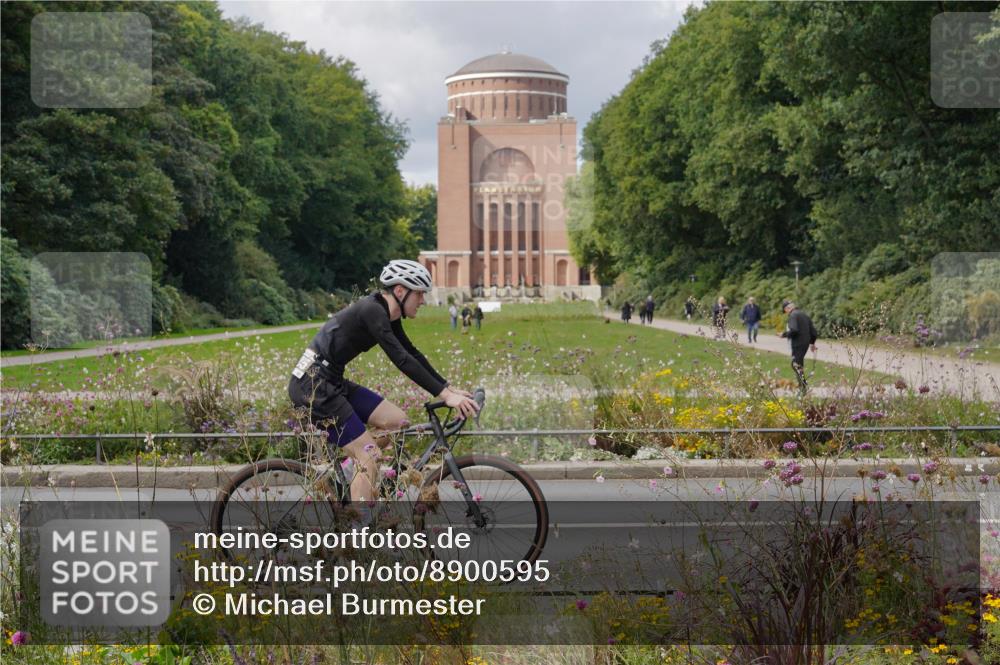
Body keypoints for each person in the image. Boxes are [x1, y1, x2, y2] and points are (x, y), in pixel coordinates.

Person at [287, 259, 479, 515]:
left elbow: (411, 353)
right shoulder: (371, 310)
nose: (422, 301)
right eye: (420, 293)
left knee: (397, 421)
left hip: (330, 380)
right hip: (313, 387)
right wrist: (444, 394)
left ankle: (349, 473)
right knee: (370, 455)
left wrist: (449, 389)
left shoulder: (387, 314)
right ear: (400, 291)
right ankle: (356, 538)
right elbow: (400, 360)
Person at [780, 299, 818, 396]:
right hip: (804, 344)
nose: (786, 313)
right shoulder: (804, 314)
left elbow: (794, 330)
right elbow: (813, 332)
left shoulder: (793, 315)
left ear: (787, 308)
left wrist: (783, 334)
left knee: (796, 364)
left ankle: (803, 389)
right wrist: (812, 343)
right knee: (797, 364)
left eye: (785, 311)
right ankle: (803, 387)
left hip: (798, 344)